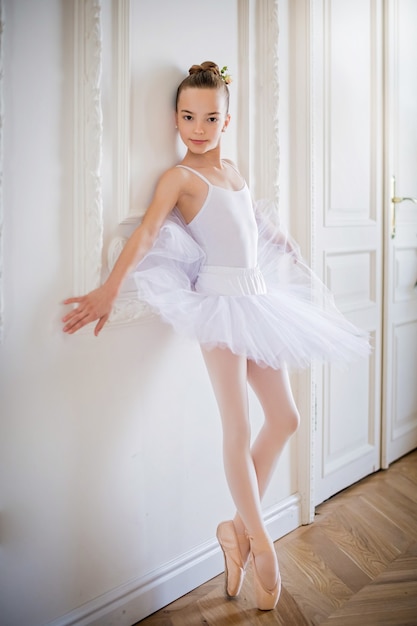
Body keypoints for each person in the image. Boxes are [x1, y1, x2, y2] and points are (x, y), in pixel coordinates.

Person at [62, 61, 369, 611]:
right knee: (239, 422)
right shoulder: (180, 179)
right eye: (187, 117)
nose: (198, 127)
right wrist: (109, 289)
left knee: (288, 418)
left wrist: (287, 245)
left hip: (258, 299)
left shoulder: (233, 170)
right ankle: (263, 545)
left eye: (210, 117)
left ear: (228, 119)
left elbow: (251, 221)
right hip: (219, 306)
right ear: (175, 119)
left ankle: (234, 530)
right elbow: (151, 230)